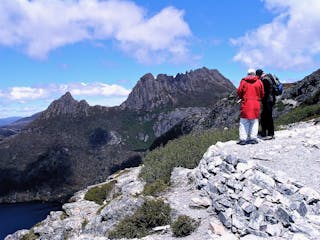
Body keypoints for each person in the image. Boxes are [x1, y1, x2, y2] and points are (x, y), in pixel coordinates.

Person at [237, 69, 264, 145]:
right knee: (254, 122)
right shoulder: (259, 82)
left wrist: (242, 97)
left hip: (246, 103)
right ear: (254, 74)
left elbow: (239, 91)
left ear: (247, 74)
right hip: (256, 104)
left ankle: (243, 139)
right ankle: (253, 138)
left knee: (244, 122)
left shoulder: (244, 81)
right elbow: (262, 93)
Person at [256, 69, 275, 140]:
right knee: (266, 116)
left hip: (268, 101)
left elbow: (265, 92)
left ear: (259, 74)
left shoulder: (265, 80)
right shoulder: (268, 77)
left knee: (266, 116)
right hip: (270, 100)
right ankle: (267, 132)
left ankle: (269, 133)